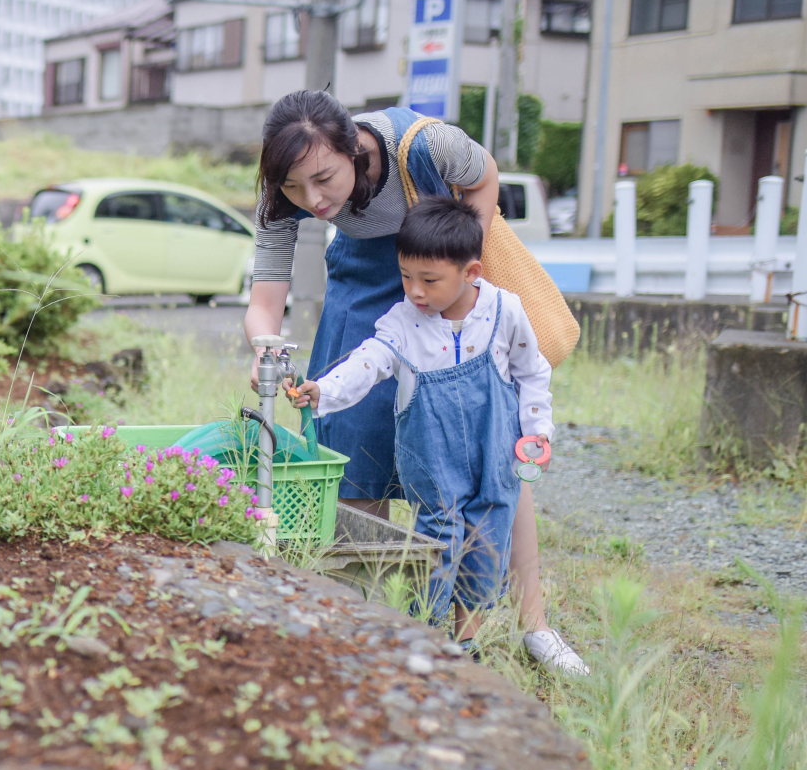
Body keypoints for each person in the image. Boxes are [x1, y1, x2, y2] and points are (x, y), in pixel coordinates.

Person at [246, 90, 587, 676]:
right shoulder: (285, 187)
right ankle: (363, 617)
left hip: (446, 283)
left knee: (488, 446)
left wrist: (458, 280)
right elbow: (265, 296)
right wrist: (264, 345)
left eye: (325, 178)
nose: (315, 200)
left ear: (354, 148)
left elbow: (486, 179)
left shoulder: (428, 146)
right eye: (296, 189)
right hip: (362, 294)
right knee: (351, 449)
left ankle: (535, 623)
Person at [285, 197, 548, 644]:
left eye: (429, 280)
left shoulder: (505, 311)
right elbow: (368, 362)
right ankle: (424, 634)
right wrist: (324, 389)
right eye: (406, 277)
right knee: (436, 539)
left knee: (486, 537)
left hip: (496, 452)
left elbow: (532, 371)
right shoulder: (403, 322)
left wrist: (538, 431)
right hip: (432, 459)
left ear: (471, 273)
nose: (416, 291)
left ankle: (466, 642)